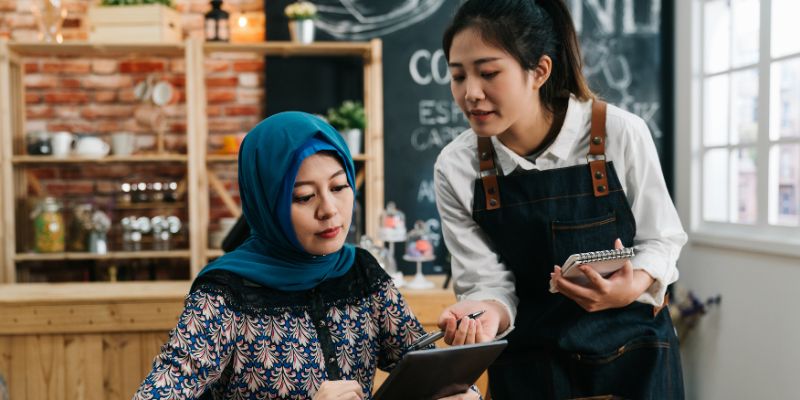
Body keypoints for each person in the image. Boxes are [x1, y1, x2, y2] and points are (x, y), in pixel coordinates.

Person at [432, 0, 687, 398]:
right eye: (457, 75)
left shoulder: (619, 133)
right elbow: (487, 282)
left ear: (539, 71)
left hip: (633, 360)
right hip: (530, 367)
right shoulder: (457, 166)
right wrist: (482, 315)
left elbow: (662, 239)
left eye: (488, 73)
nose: (471, 93)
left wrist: (631, 284)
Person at [133, 112, 478, 400]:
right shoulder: (225, 294)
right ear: (269, 204)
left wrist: (458, 391)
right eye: (303, 197)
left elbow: (418, 362)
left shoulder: (360, 271)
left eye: (339, 187)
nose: (329, 211)